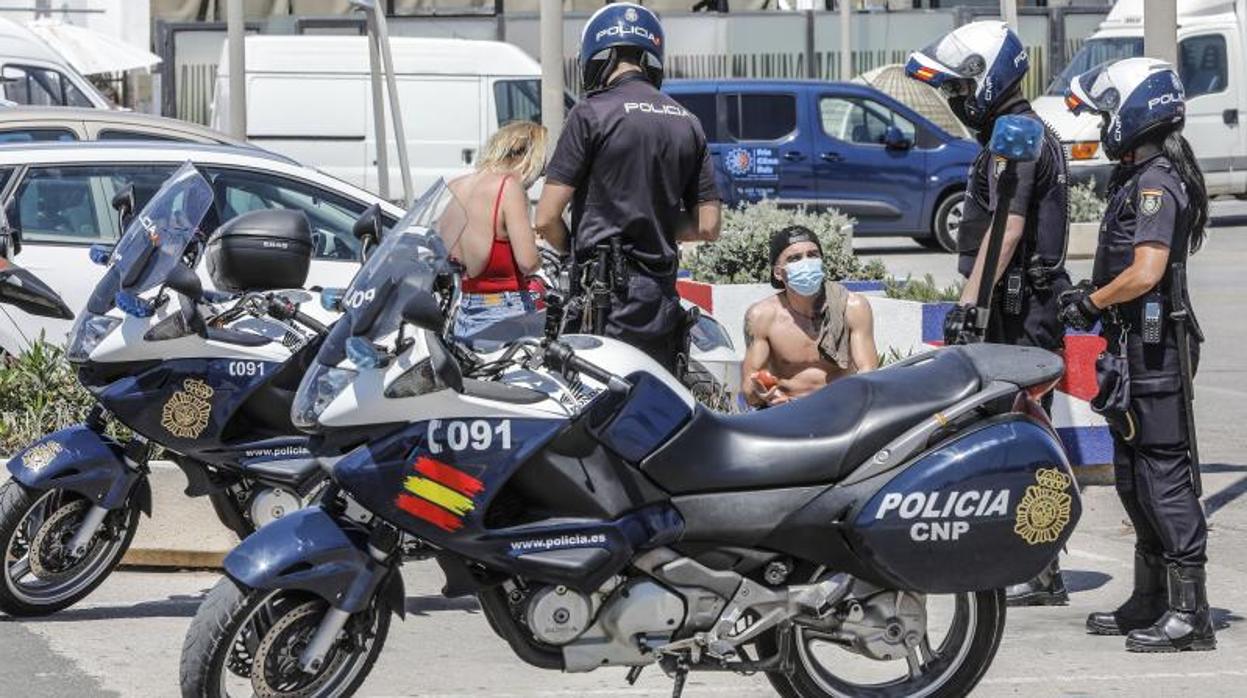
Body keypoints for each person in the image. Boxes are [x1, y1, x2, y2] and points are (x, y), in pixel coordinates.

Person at [906, 20, 1072, 607]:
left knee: (1023, 430)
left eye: (959, 88)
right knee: (1013, 429)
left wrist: (968, 302)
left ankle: (1041, 562)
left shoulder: (1018, 134)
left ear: (987, 79)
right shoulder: (1015, 131)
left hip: (1021, 308)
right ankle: (1036, 561)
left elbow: (1007, 234)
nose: (954, 101)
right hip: (1018, 303)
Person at [1060, 58, 1214, 653]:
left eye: (1107, 112)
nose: (1102, 124)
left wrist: (1092, 302)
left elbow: (1146, 271)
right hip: (1130, 351)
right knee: (1131, 476)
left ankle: (1189, 613)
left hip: (1156, 351)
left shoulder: (1156, 183)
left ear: (1135, 113)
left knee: (1164, 478)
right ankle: (1150, 598)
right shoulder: (1138, 173)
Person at [535, 2, 722, 373]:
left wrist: (570, 248)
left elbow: (545, 217)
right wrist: (653, 219)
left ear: (596, 56)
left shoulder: (591, 113)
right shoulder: (688, 122)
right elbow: (708, 226)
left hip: (604, 298)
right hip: (660, 300)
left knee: (598, 410)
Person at [741, 226, 878, 408]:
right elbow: (750, 391)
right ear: (778, 272)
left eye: (813, 255)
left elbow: (869, 373)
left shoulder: (851, 307)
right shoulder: (762, 317)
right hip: (787, 410)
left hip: (842, 406)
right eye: (794, 258)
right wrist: (766, 393)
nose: (806, 263)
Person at [448, 121, 547, 350]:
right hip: (506, 312)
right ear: (527, 157)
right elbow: (528, 263)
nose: (541, 173)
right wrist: (537, 251)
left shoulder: (459, 185)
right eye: (542, 165)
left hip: (466, 311)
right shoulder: (508, 187)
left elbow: (447, 251)